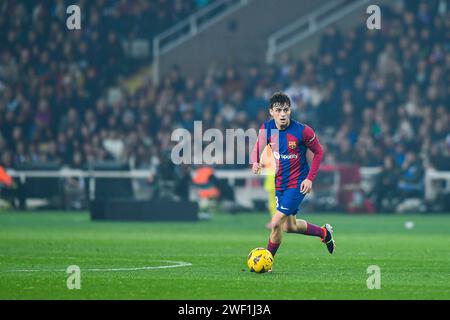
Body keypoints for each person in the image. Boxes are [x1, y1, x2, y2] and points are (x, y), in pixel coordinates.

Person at [251, 92, 335, 271]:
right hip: (280, 183)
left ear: (290, 110)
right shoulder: (267, 129)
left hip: (298, 184)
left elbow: (319, 152)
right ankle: (324, 233)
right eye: (278, 110)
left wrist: (309, 179)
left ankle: (267, 262)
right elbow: (258, 145)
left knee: (276, 222)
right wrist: (255, 161)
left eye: (286, 110)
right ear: (271, 112)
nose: (283, 114)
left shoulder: (303, 131)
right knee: (290, 226)